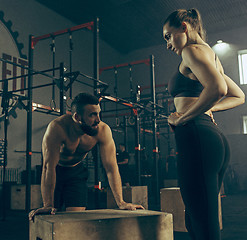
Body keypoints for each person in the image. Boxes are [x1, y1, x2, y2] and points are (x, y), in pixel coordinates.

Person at [163, 8, 245, 240]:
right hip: (210, 137)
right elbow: (238, 95)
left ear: (184, 27)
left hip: (198, 136)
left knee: (203, 222)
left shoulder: (191, 51)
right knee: (198, 217)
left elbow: (218, 89)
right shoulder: (210, 56)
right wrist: (206, 108)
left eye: (168, 35)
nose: (168, 44)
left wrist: (184, 116)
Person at [29, 93, 144, 221]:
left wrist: (121, 202)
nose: (98, 120)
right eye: (92, 115)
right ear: (77, 117)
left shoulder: (102, 130)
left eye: (98, 113)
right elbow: (48, 167)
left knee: (75, 220)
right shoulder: (58, 128)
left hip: (76, 173)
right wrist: (47, 204)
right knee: (50, 217)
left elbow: (111, 168)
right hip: (55, 171)